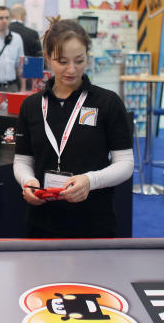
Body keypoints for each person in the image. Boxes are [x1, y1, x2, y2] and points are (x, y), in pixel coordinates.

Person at [12, 18, 134, 238]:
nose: (72, 69)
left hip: (93, 223)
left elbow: (125, 164)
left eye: (79, 60)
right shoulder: (31, 106)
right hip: (42, 222)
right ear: (47, 58)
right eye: (62, 61)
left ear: (87, 56)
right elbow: (22, 161)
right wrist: (28, 182)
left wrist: (90, 181)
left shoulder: (107, 102)